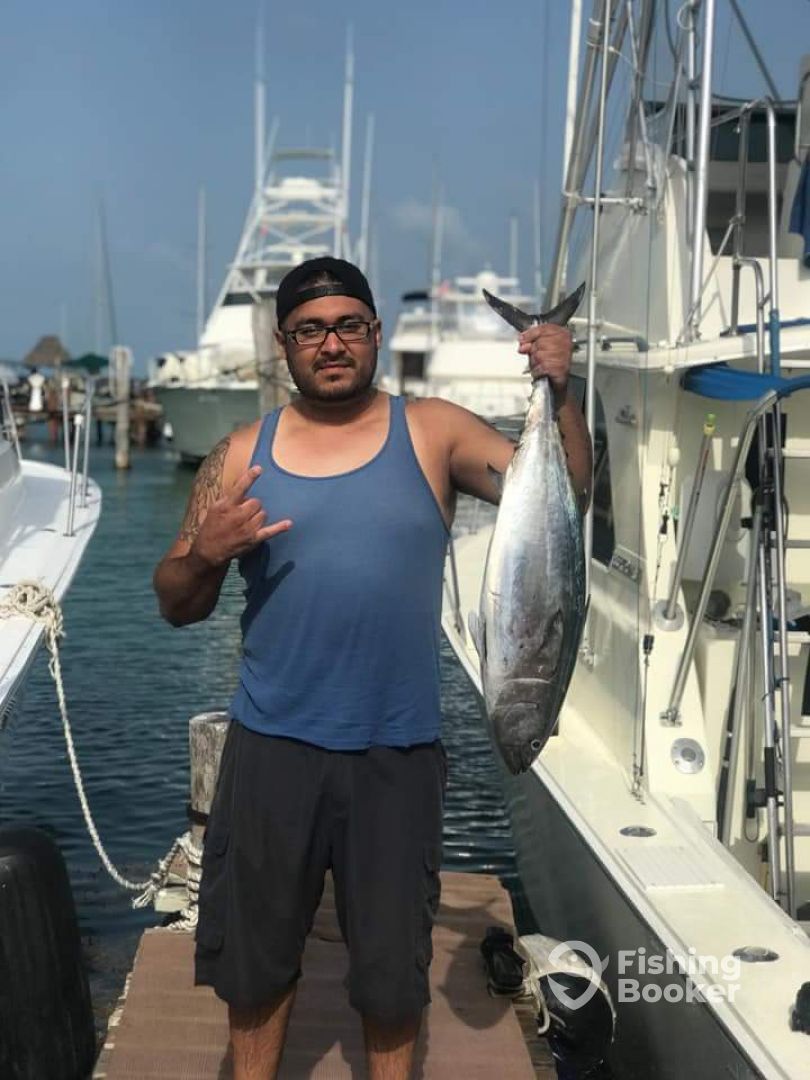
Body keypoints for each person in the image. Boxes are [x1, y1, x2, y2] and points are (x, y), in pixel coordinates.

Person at [153, 256, 591, 1080]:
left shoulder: (434, 431)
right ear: (284, 344)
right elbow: (176, 602)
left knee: (391, 975)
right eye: (310, 330)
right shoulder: (240, 454)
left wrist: (562, 390)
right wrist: (206, 553)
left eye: (348, 325)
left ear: (376, 333)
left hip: (397, 752)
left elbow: (564, 493)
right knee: (254, 967)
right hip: (271, 749)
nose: (331, 344)